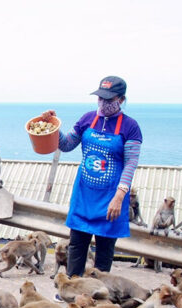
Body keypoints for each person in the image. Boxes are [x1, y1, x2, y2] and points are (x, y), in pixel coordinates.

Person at [42, 76, 142, 277]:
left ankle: (98, 293)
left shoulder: (130, 127)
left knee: (104, 249)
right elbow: (67, 144)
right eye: (100, 98)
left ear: (121, 100)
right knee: (77, 244)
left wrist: (120, 196)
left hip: (111, 198)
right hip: (84, 194)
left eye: (109, 99)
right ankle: (71, 287)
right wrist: (52, 125)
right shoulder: (88, 119)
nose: (103, 103)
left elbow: (131, 163)